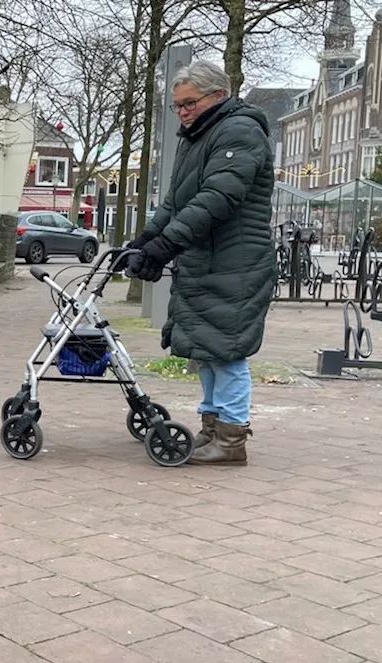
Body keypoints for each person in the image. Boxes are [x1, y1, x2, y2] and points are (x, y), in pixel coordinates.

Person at [123, 61, 276, 466]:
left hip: (236, 261)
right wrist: (146, 240)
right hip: (207, 259)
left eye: (189, 103)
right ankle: (212, 430)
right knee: (208, 351)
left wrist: (166, 244)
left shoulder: (239, 131)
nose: (183, 112)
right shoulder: (198, 138)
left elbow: (217, 198)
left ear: (217, 95)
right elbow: (176, 202)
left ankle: (231, 439)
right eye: (177, 106)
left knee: (227, 352)